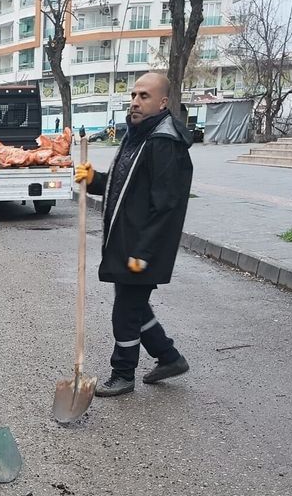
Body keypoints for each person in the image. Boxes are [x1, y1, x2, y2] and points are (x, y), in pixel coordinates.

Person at [75, 72, 192, 397]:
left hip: (143, 247)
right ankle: (169, 357)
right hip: (126, 242)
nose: (136, 102)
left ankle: (123, 373)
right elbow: (123, 185)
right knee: (136, 307)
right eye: (134, 95)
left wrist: (143, 251)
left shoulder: (164, 144)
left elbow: (165, 205)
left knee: (125, 311)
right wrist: (95, 179)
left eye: (144, 96)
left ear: (163, 103)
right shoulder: (137, 136)